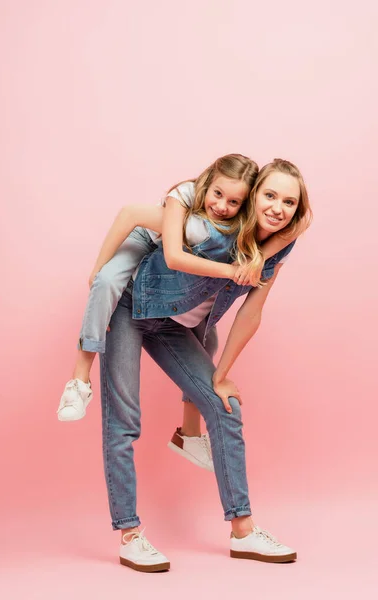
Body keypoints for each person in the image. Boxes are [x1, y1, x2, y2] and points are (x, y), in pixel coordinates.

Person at [98, 159, 312, 571]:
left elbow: (252, 310)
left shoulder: (277, 243)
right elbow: (150, 228)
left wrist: (222, 374)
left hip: (171, 324)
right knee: (123, 421)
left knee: (226, 406)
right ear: (250, 198)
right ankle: (129, 534)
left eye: (289, 201)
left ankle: (244, 533)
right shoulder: (213, 224)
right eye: (270, 196)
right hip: (129, 305)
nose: (278, 207)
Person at [57, 155, 298, 471]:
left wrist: (256, 259)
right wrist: (98, 267)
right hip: (143, 243)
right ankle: (79, 380)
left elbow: (289, 231)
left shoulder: (232, 226)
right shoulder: (192, 213)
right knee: (104, 283)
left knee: (206, 340)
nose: (223, 205)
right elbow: (144, 228)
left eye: (234, 201)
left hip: (164, 266)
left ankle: (189, 434)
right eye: (218, 195)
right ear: (207, 183)